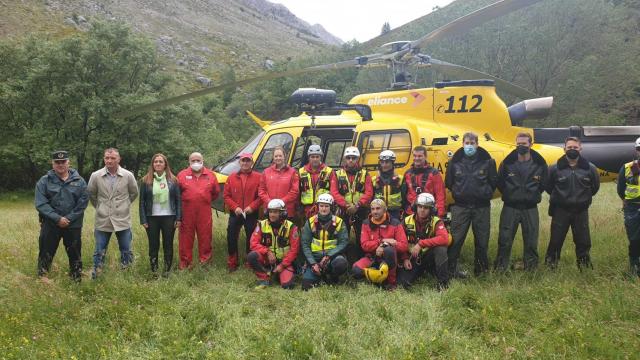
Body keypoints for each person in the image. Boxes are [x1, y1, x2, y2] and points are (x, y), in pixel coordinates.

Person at [445, 132, 497, 277]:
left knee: (482, 240)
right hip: (460, 207)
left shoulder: (487, 162)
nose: (469, 146)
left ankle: (481, 271)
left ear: (477, 144)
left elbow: (494, 182)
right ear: (462, 144)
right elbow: (449, 183)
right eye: (467, 143)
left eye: (472, 143)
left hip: (481, 207)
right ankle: (451, 270)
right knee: (455, 240)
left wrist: (485, 192)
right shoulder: (454, 163)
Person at [494, 133, 548, 271]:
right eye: (518, 143)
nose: (520, 146)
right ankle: (500, 268)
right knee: (504, 240)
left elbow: (543, 184)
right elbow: (500, 182)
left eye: (524, 144)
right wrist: (510, 194)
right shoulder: (507, 163)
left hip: (530, 208)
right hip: (510, 207)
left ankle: (531, 269)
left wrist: (532, 194)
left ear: (531, 144)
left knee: (531, 241)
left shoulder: (540, 164)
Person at [545, 136, 600, 269]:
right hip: (560, 211)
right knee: (556, 240)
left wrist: (582, 199)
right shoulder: (554, 168)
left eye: (575, 147)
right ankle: (550, 266)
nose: (572, 149)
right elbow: (548, 187)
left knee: (583, 241)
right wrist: (561, 198)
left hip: (581, 211)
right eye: (569, 147)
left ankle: (584, 267)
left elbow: (594, 187)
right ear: (564, 149)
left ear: (580, 148)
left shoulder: (590, 168)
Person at [34, 150, 88, 282]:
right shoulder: (44, 181)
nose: (60, 164)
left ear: (68, 162)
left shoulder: (80, 181)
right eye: (57, 162)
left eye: (63, 162)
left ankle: (76, 279)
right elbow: (41, 204)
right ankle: (43, 278)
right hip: (50, 224)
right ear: (53, 164)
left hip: (73, 225)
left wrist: (68, 218)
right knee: (46, 252)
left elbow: (82, 203)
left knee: (75, 253)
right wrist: (57, 218)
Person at [87, 147, 139, 279]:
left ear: (119, 159)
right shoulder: (96, 175)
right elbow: (91, 194)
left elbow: (134, 193)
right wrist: (100, 207)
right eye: (107, 158)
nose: (109, 160)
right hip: (103, 219)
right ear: (104, 158)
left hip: (122, 218)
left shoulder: (128, 175)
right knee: (99, 251)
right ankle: (96, 276)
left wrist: (124, 205)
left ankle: (126, 274)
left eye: (113, 158)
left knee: (126, 250)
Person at [139, 153, 181, 276]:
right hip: (151, 218)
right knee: (153, 245)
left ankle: (167, 270)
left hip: (169, 217)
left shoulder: (173, 180)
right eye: (155, 161)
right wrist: (143, 219)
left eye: (160, 161)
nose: (158, 163)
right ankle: (154, 270)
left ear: (165, 164)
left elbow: (178, 200)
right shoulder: (145, 180)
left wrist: (178, 218)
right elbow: (142, 201)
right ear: (152, 164)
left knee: (168, 245)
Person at [352, 199, 408, 290]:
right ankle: (376, 277)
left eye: (378, 208)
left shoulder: (395, 223)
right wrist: (382, 241)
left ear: (385, 209)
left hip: (388, 258)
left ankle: (391, 283)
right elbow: (364, 245)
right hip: (371, 257)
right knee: (356, 270)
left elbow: (404, 246)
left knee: (389, 250)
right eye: (372, 209)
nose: (375, 211)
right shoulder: (366, 223)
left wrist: (384, 246)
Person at [398, 193, 450, 290]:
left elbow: (444, 238)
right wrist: (404, 258)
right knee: (402, 284)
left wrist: (421, 244)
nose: (422, 210)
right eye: (420, 206)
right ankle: (422, 272)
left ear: (431, 210)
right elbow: (400, 242)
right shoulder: (406, 221)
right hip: (412, 258)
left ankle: (443, 283)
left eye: (426, 208)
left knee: (441, 249)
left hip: (428, 257)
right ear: (415, 207)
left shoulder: (436, 221)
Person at [177, 152, 220, 269]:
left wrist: (204, 199)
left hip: (204, 212)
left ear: (202, 161)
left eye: (198, 160)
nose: (196, 163)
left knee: (205, 237)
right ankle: (185, 264)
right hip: (186, 213)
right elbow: (177, 194)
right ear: (189, 162)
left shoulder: (211, 175)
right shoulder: (182, 175)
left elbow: (216, 193)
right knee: (185, 238)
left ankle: (205, 263)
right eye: (193, 161)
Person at [330, 146, 373, 262]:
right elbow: (334, 192)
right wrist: (346, 205)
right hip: (344, 210)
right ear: (345, 159)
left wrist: (358, 205)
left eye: (353, 158)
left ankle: (361, 259)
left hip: (361, 209)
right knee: (342, 236)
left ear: (357, 159)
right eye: (348, 158)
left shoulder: (365, 174)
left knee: (361, 236)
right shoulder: (337, 174)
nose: (350, 160)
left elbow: (369, 192)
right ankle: (341, 260)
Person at [248, 199, 300, 289]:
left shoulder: (291, 227)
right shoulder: (261, 225)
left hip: (285, 261)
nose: (272, 215)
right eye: (270, 212)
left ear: (283, 213)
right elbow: (253, 243)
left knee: (287, 286)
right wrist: (267, 252)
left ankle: (277, 273)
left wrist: (282, 265)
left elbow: (294, 250)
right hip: (268, 259)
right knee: (252, 256)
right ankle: (264, 278)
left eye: (275, 212)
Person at [300, 194, 349, 290]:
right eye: (321, 206)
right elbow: (305, 245)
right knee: (306, 286)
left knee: (341, 263)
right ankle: (319, 275)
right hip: (315, 258)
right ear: (317, 207)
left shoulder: (339, 222)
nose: (324, 209)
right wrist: (313, 264)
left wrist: (328, 256)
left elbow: (344, 242)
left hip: (332, 258)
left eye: (327, 206)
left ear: (331, 207)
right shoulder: (310, 222)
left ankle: (332, 276)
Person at [223, 152, 262, 272]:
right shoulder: (231, 177)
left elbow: (261, 196)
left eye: (248, 161)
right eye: (243, 161)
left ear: (252, 163)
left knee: (252, 237)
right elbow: (226, 196)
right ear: (239, 162)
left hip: (251, 212)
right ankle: (232, 262)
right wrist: (235, 207)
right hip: (236, 212)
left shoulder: (258, 177)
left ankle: (250, 262)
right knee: (231, 236)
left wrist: (252, 207)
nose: (245, 163)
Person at [618, 137, 640, 277]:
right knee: (634, 239)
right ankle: (635, 269)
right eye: (639, 149)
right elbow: (621, 189)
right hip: (632, 208)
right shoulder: (627, 168)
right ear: (636, 150)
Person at [258, 146, 299, 221]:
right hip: (270, 211)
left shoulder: (292, 172)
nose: (278, 158)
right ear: (273, 158)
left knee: (286, 232)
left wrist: (282, 201)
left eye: (280, 156)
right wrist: (269, 201)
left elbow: (295, 191)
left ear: (284, 156)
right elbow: (261, 190)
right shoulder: (266, 172)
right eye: (276, 156)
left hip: (286, 210)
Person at [404, 146, 446, 217]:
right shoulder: (407, 174)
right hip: (411, 213)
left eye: (420, 156)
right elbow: (404, 195)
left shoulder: (434, 173)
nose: (417, 158)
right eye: (414, 156)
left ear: (425, 156)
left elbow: (440, 195)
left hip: (428, 212)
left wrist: (439, 214)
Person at [299, 144, 334, 218]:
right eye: (312, 157)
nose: (315, 159)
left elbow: (334, 191)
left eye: (317, 157)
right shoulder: (301, 172)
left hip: (324, 208)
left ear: (320, 157)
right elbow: (298, 191)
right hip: (306, 210)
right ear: (309, 158)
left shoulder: (329, 171)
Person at [372, 150, 406, 221]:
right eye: (382, 162)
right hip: (378, 212)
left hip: (396, 213)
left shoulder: (400, 179)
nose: (384, 165)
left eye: (387, 162)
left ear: (392, 163)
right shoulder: (374, 180)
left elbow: (404, 198)